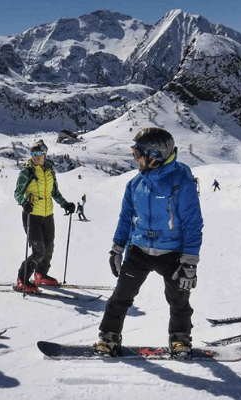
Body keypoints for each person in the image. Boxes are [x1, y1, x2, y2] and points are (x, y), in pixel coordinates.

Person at [95, 128, 203, 359]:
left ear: (156, 155)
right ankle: (109, 337)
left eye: (138, 153)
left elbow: (193, 223)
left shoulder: (181, 181)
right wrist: (117, 247)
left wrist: (190, 262)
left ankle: (180, 338)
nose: (135, 159)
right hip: (139, 250)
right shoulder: (135, 185)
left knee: (179, 300)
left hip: (172, 251)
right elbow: (126, 218)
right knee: (120, 297)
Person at [14, 141, 75, 292]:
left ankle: (40, 275)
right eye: (32, 153)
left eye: (38, 153)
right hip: (32, 215)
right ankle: (22, 279)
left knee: (49, 249)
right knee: (38, 251)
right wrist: (24, 203)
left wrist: (65, 204)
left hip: (48, 215)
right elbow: (17, 193)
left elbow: (54, 192)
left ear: (44, 155)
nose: (35, 156)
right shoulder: (27, 172)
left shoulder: (49, 170)